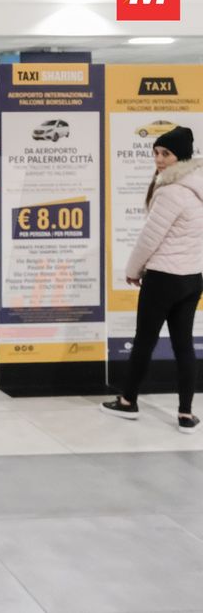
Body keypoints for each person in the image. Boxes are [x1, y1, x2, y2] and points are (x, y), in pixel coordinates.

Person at [102, 125, 203, 433]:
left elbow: (149, 238)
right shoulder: (196, 187)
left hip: (163, 278)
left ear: (180, 157)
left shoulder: (172, 191)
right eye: (156, 152)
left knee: (145, 340)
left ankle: (128, 401)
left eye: (166, 154)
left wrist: (133, 270)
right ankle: (186, 414)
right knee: (184, 345)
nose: (159, 159)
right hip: (192, 278)